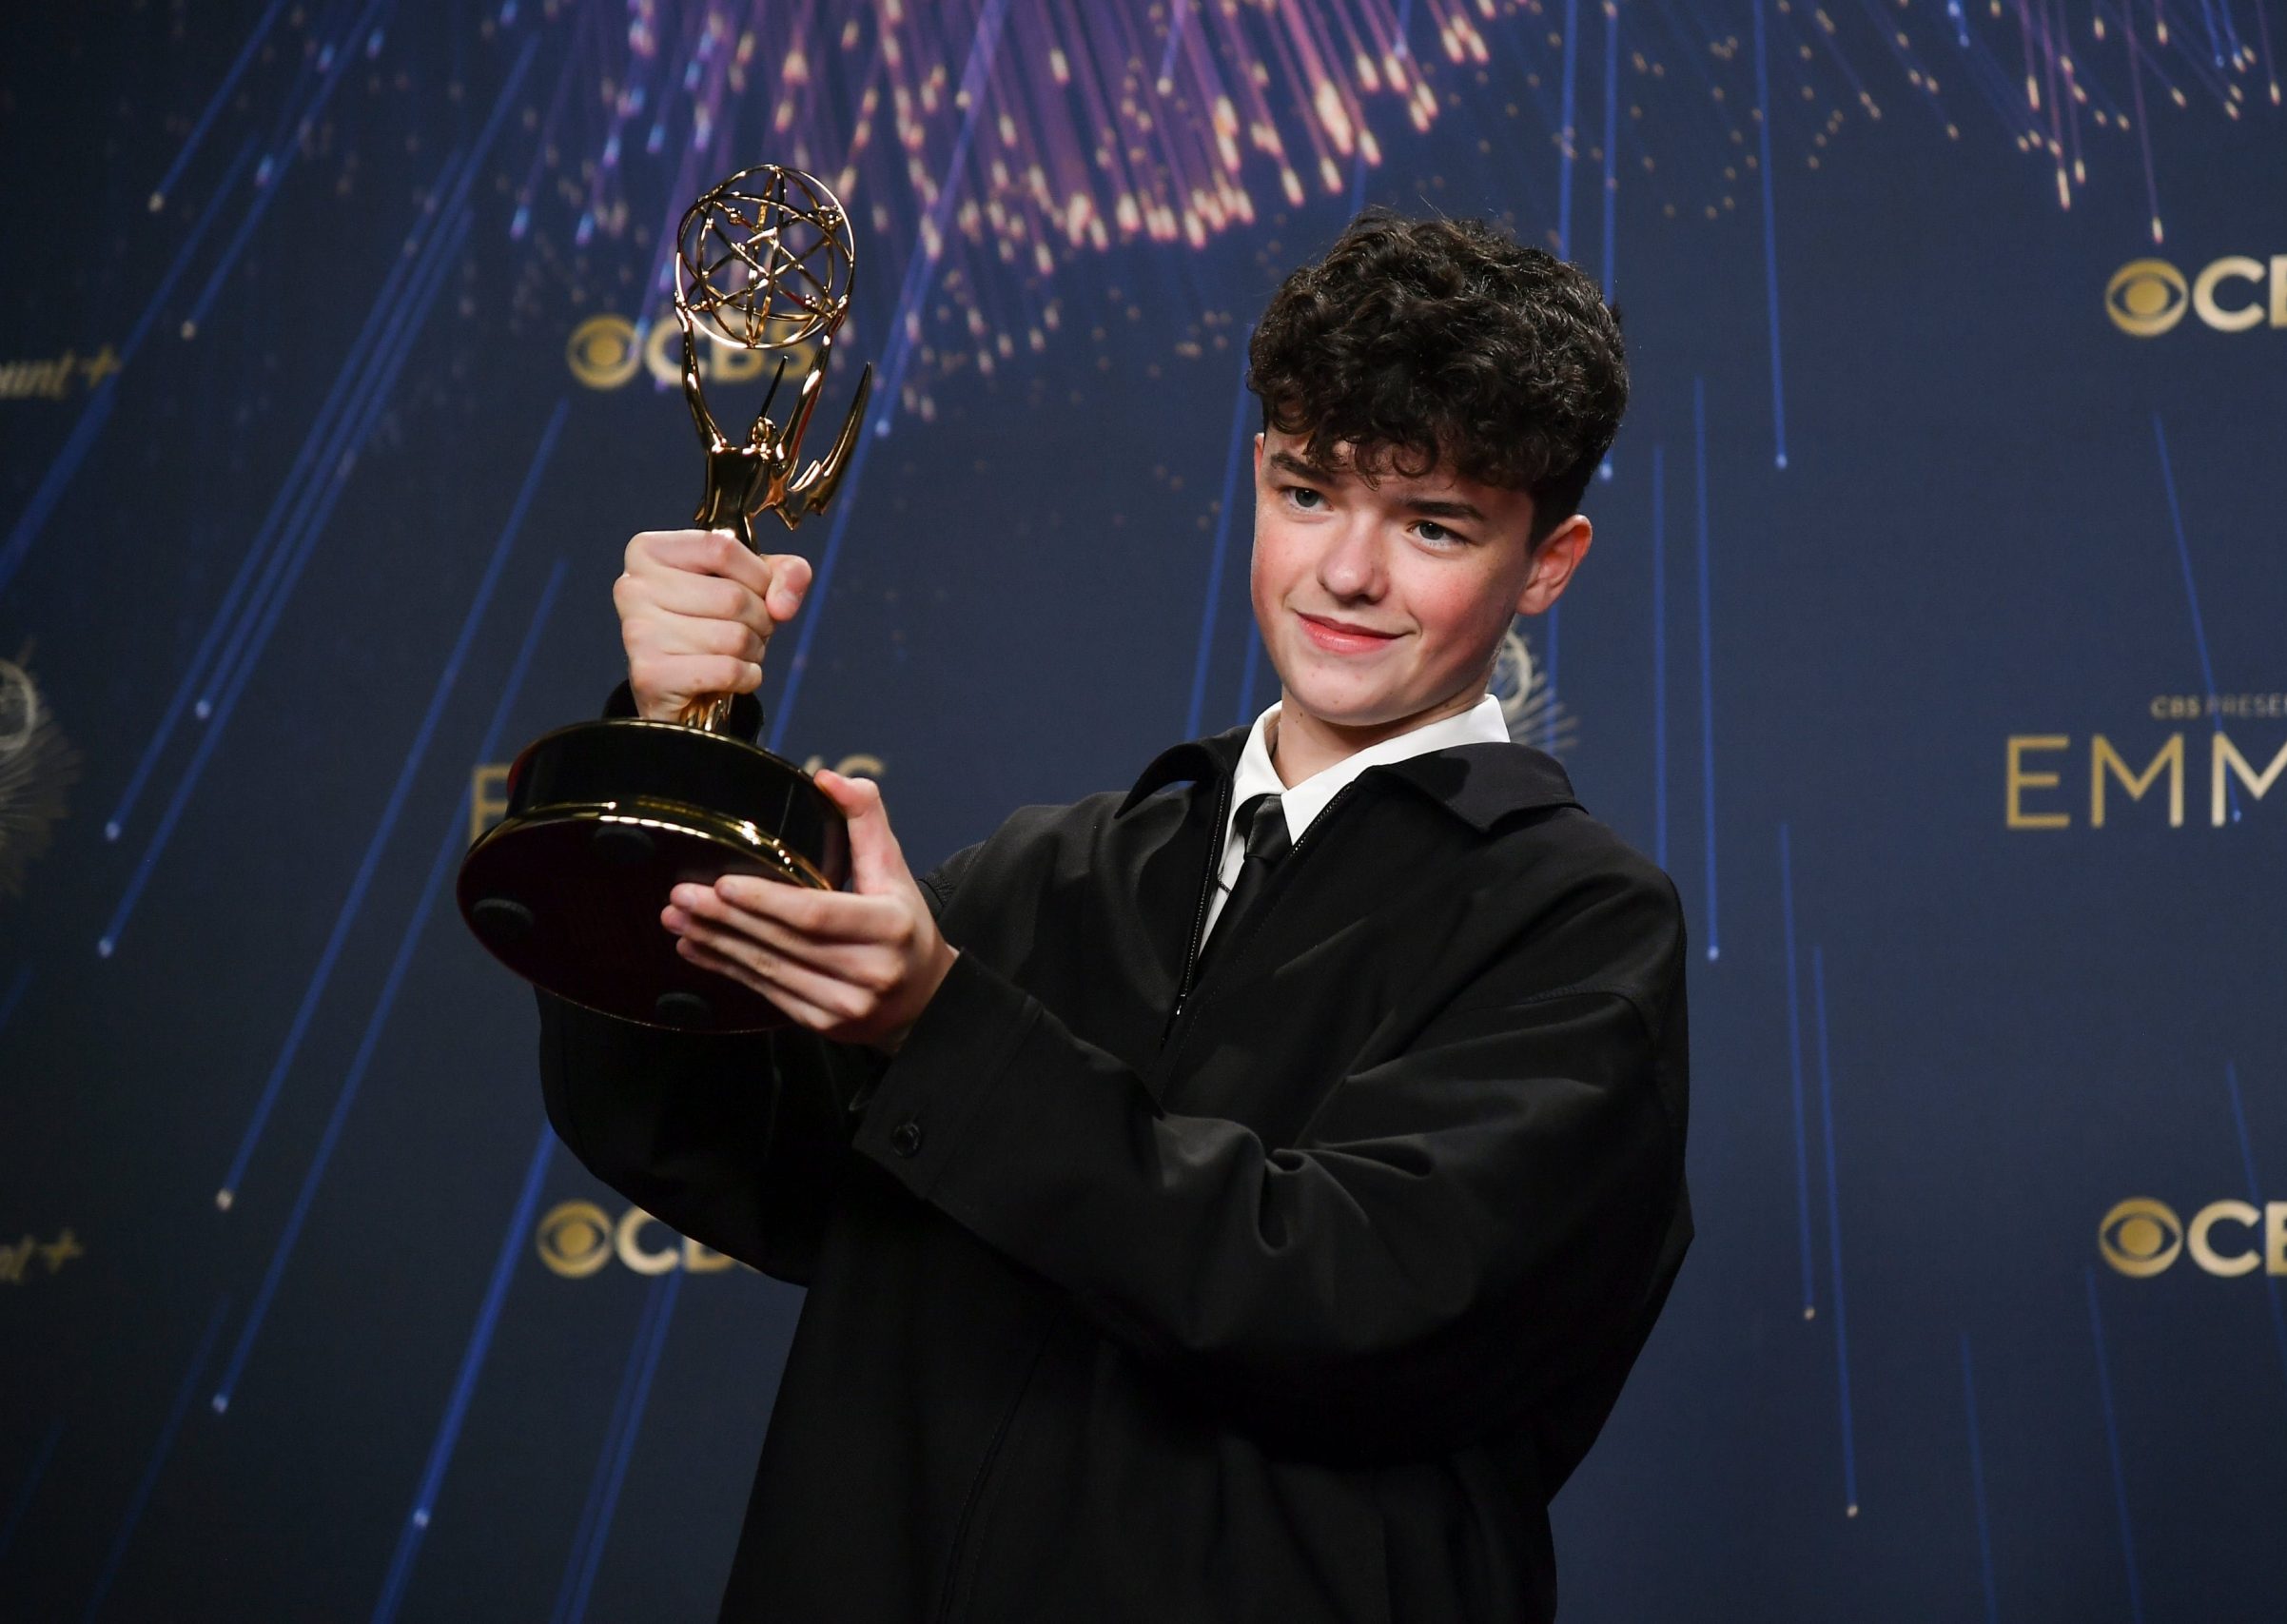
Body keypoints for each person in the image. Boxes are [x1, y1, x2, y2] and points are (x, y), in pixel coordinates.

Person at [546, 209, 1691, 1621]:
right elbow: (716, 1146)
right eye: (1309, 491)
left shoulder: (1577, 928)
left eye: (1434, 523)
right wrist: (675, 745)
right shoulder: (1050, 875)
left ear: (1551, 560)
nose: (1347, 571)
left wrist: (942, 1027)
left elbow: (1346, 1306)